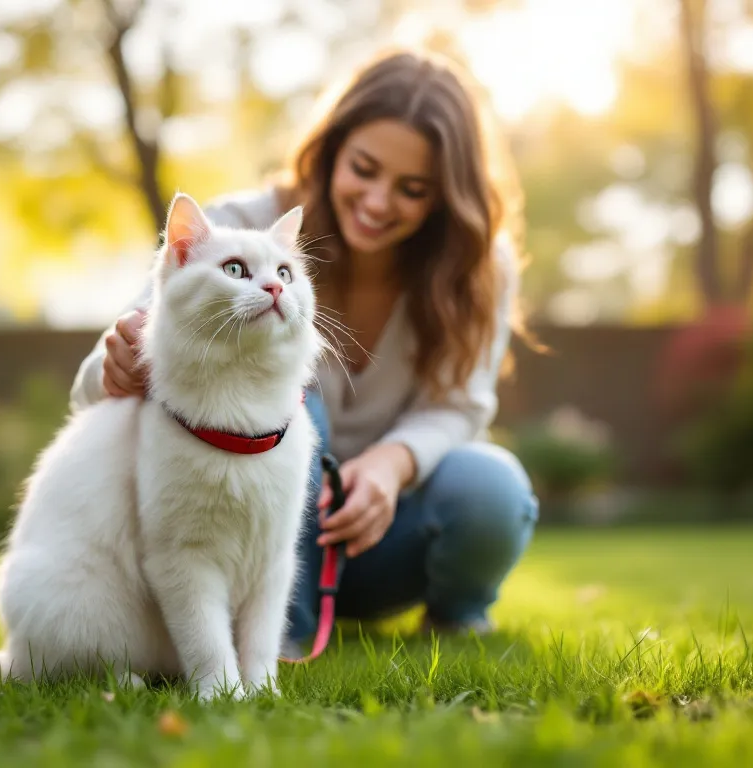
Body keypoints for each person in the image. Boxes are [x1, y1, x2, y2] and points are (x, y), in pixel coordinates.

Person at [69, 46, 540, 652]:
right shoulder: (241, 227)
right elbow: (110, 369)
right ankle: (273, 640)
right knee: (295, 400)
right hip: (237, 547)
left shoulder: (480, 267)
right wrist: (115, 366)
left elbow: (462, 406)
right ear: (331, 150)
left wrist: (391, 465)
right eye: (363, 169)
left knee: (492, 488)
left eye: (412, 188)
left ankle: (457, 617)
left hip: (377, 540)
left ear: (447, 196)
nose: (377, 202)